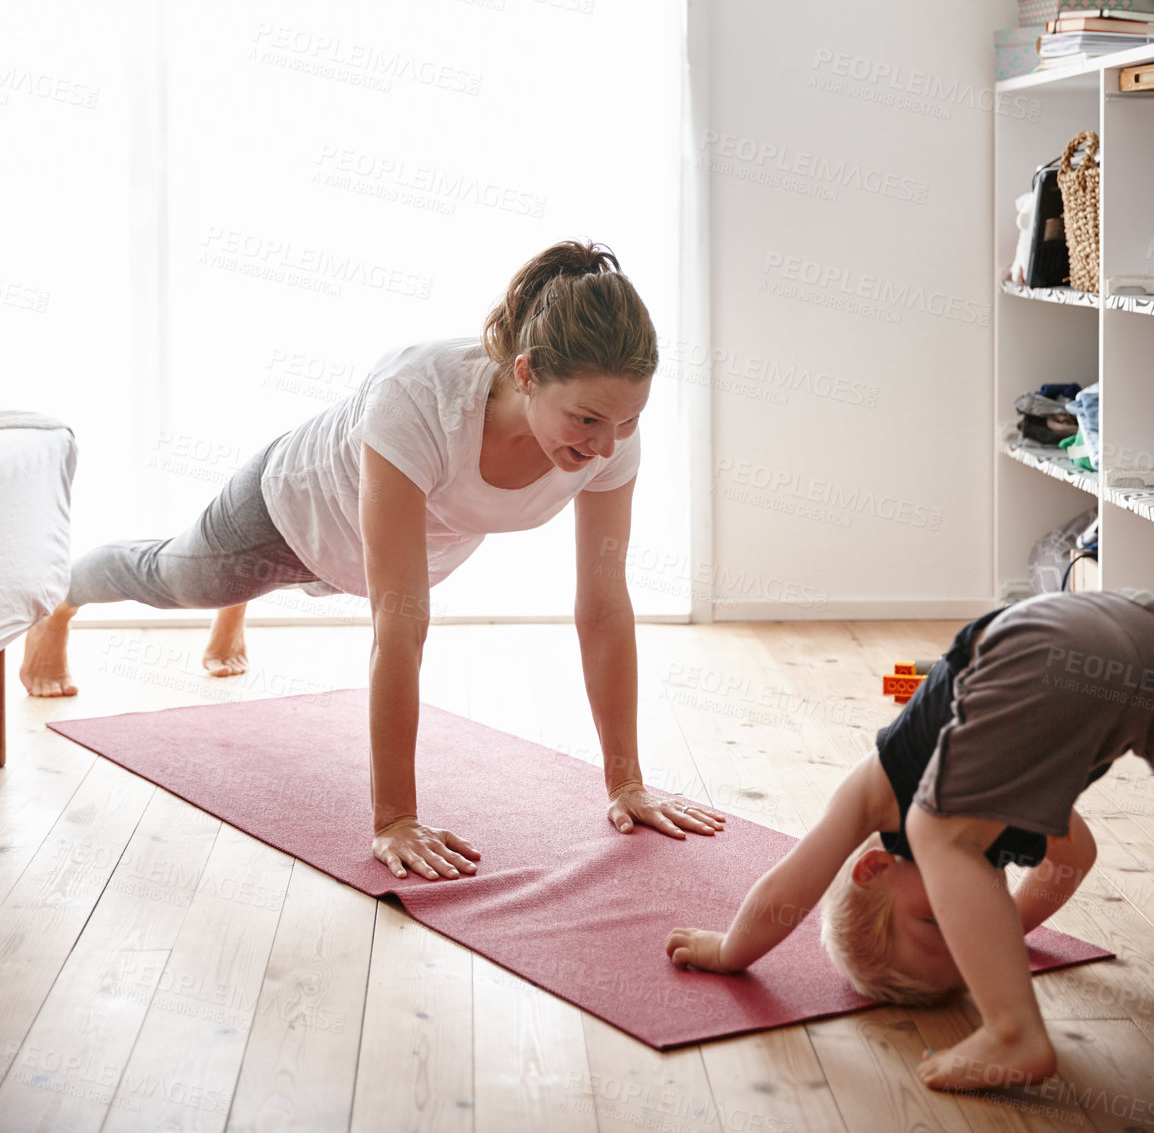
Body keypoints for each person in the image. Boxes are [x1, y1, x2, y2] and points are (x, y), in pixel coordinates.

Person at [22, 240, 725, 878]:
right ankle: (58, 595)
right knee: (176, 578)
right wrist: (395, 818)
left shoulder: (607, 433)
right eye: (589, 421)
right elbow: (401, 623)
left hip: (381, 552)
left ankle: (241, 603)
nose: (608, 446)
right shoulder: (420, 396)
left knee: (352, 583)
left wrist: (626, 781)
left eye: (628, 419)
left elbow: (602, 604)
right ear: (527, 373)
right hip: (285, 514)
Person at [665, 588, 1154, 1094]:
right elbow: (1075, 856)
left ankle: (1012, 1031)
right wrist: (999, 937)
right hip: (1137, 632)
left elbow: (790, 886)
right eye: (964, 943)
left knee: (934, 828)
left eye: (937, 922)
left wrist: (729, 951)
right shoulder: (1007, 795)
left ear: (873, 868)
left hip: (1046, 644)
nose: (966, 924)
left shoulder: (878, 793)